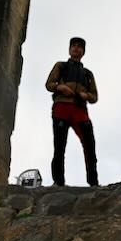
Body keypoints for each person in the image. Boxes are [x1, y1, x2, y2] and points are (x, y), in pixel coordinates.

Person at [45, 37, 99, 186]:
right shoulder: (61, 66)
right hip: (61, 107)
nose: (76, 49)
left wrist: (86, 95)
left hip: (80, 110)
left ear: (83, 52)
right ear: (69, 49)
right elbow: (49, 84)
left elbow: (95, 97)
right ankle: (58, 182)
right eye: (74, 46)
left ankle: (93, 183)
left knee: (90, 145)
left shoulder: (88, 74)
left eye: (80, 47)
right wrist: (60, 87)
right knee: (59, 146)